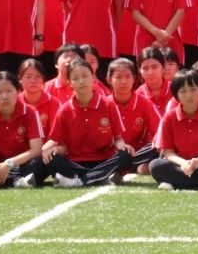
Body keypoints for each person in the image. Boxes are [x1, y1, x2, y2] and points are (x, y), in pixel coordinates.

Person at [41, 59, 132, 187]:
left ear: (93, 78)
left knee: (126, 155)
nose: (81, 81)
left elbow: (117, 138)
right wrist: (55, 150)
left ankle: (80, 180)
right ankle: (100, 177)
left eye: (85, 76)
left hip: (104, 160)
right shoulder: (64, 110)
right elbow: (61, 144)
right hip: (75, 162)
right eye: (75, 78)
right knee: (52, 160)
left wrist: (122, 146)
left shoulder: (108, 105)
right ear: (69, 83)